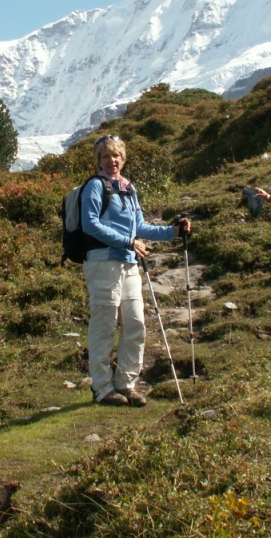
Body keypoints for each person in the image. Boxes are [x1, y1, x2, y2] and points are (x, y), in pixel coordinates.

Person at [80, 135, 192, 407]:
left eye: (116, 155)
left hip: (129, 263)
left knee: (135, 322)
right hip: (103, 262)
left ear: (123, 158)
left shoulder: (129, 188)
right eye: (106, 156)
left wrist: (173, 232)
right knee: (105, 325)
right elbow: (90, 224)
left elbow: (139, 227)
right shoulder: (95, 186)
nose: (112, 160)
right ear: (98, 161)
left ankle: (126, 383)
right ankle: (102, 388)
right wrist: (128, 242)